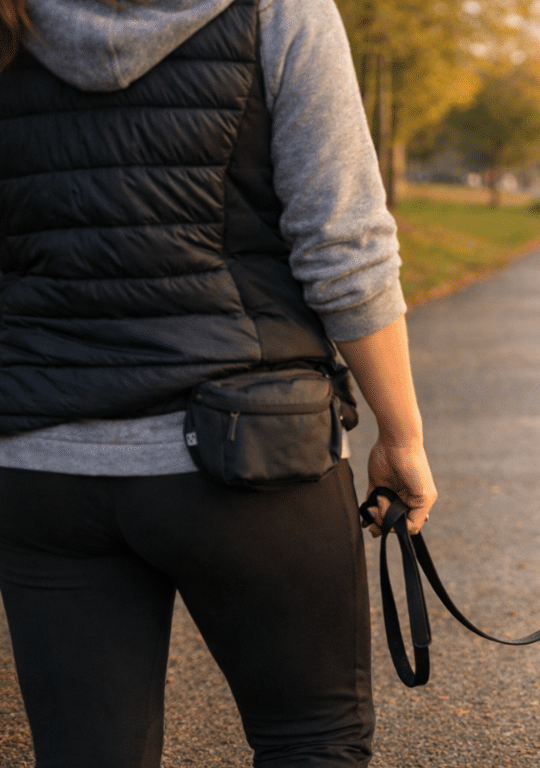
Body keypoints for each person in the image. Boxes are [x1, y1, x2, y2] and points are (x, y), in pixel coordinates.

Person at [0, 0, 436, 766]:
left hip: (43, 465)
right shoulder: (278, 8)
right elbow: (343, 240)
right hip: (247, 453)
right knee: (312, 742)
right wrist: (400, 434)